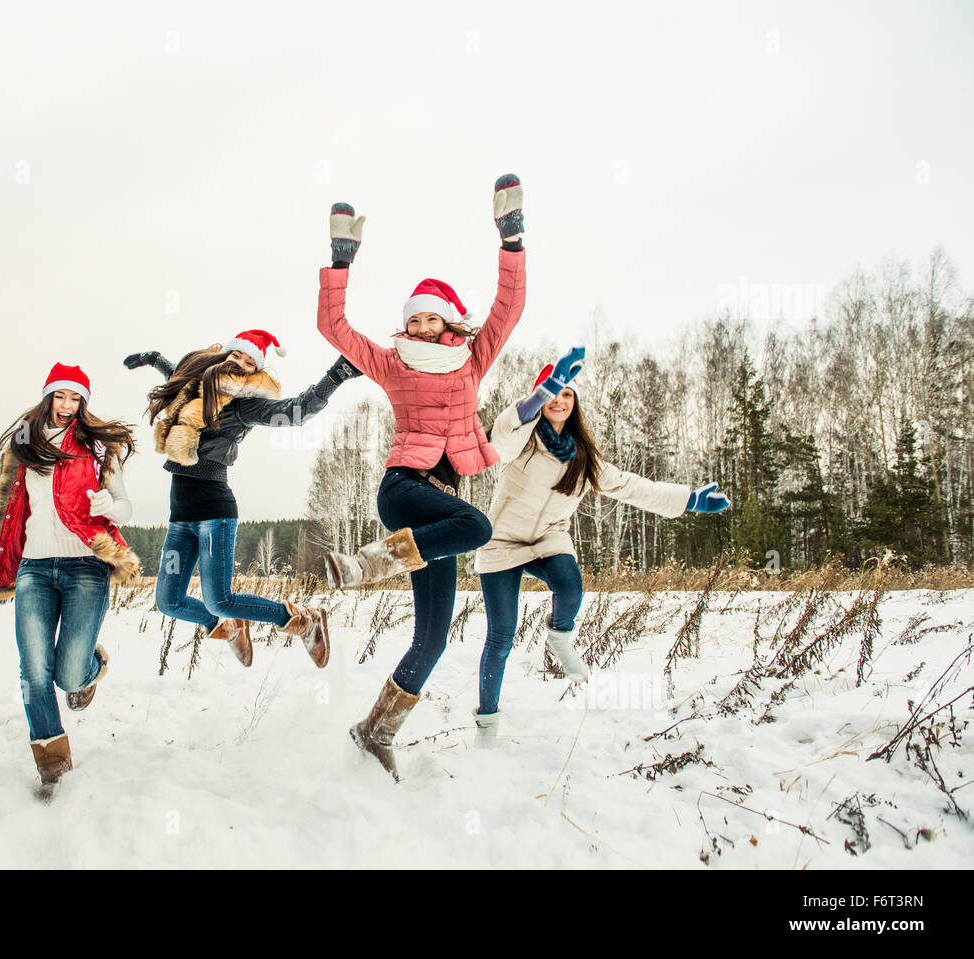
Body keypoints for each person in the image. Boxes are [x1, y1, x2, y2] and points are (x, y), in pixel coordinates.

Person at [315, 174, 527, 779]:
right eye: (418, 320)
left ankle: (374, 729)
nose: (426, 328)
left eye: (436, 319)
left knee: (432, 638)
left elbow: (509, 309)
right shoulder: (392, 362)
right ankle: (366, 565)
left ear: (450, 322)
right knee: (479, 525)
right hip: (406, 491)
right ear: (408, 325)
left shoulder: (472, 357)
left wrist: (510, 238)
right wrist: (339, 260)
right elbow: (335, 329)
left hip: (441, 514)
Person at [472, 350, 731, 735]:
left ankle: (560, 638)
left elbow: (630, 486)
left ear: (575, 404)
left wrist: (689, 499)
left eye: (567, 395)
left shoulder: (583, 457)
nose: (559, 401)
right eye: (552, 394)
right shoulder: (519, 441)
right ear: (540, 399)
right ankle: (488, 722)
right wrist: (541, 393)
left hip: (547, 539)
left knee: (570, 584)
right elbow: (501, 434)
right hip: (502, 543)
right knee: (501, 637)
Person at [0, 362, 140, 797]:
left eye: (75, 398)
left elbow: (125, 507)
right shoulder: (24, 448)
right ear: (48, 399)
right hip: (35, 570)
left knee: (68, 674)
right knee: (34, 671)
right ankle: (52, 761)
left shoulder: (98, 447)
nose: (67, 405)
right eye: (60, 396)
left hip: (85, 567)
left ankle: (90, 669)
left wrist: (106, 506)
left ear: (83, 403)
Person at [123, 331, 362, 668]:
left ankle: (305, 620)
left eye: (250, 362)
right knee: (168, 601)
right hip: (181, 520)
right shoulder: (195, 388)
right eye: (238, 356)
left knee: (219, 599)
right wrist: (154, 358)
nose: (241, 364)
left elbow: (297, 411)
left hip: (214, 515)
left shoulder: (244, 407)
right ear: (224, 356)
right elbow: (177, 374)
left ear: (254, 372)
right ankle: (228, 626)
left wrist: (335, 375)